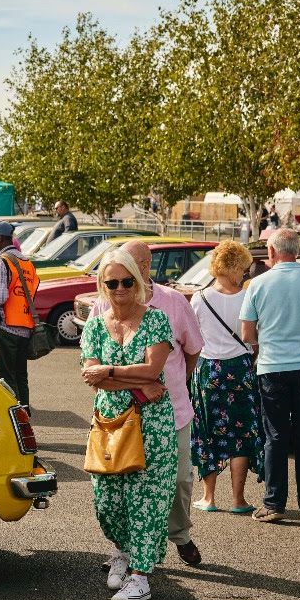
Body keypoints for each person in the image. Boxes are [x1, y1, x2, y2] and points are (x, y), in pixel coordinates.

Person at [91, 239, 205, 566]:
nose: (125, 279)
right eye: (118, 274)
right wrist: (143, 381)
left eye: (135, 268)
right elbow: (92, 370)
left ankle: (179, 535)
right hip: (119, 413)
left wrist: (176, 381)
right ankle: (127, 549)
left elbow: (193, 349)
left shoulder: (171, 303)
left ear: (146, 266)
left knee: (179, 480)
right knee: (120, 483)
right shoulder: (104, 304)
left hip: (172, 412)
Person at [79, 249, 178, 600]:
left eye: (126, 281)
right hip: (109, 423)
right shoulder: (94, 324)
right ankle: (122, 550)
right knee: (107, 501)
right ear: (102, 286)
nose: (120, 288)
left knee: (147, 500)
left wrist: (108, 372)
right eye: (112, 282)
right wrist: (130, 379)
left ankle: (141, 576)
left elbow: (152, 370)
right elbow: (93, 378)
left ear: (137, 281)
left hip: (153, 425)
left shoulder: (156, 320)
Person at [241, 228, 300, 523]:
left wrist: (263, 345)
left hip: (272, 367)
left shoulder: (258, 284)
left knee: (275, 436)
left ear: (271, 251)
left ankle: (274, 504)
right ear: (298, 250)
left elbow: (247, 333)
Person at [189, 240, 264, 514]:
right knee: (241, 433)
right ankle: (238, 499)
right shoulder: (248, 297)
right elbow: (253, 337)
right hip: (240, 370)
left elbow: (193, 338)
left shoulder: (200, 297)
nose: (245, 273)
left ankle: (208, 497)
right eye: (243, 268)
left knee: (208, 431)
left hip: (209, 371)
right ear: (233, 267)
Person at [0, 221, 37, 408]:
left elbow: (0, 298)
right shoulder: (27, 263)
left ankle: (13, 419)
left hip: (5, 328)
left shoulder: (1, 262)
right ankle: (25, 416)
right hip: (25, 326)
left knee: (5, 378)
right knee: (21, 376)